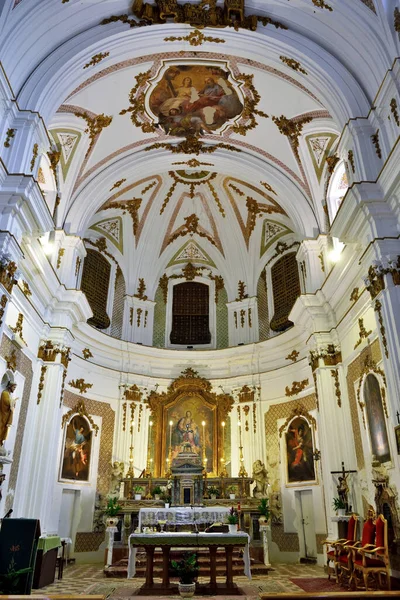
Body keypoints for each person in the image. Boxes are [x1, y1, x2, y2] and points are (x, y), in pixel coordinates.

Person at [0, 381, 17, 446]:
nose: (14, 389)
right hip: (2, 416)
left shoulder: (9, 394)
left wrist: (13, 402)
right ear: (10, 386)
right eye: (14, 387)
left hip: (6, 417)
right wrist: (13, 401)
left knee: (4, 429)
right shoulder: (5, 393)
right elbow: (6, 402)